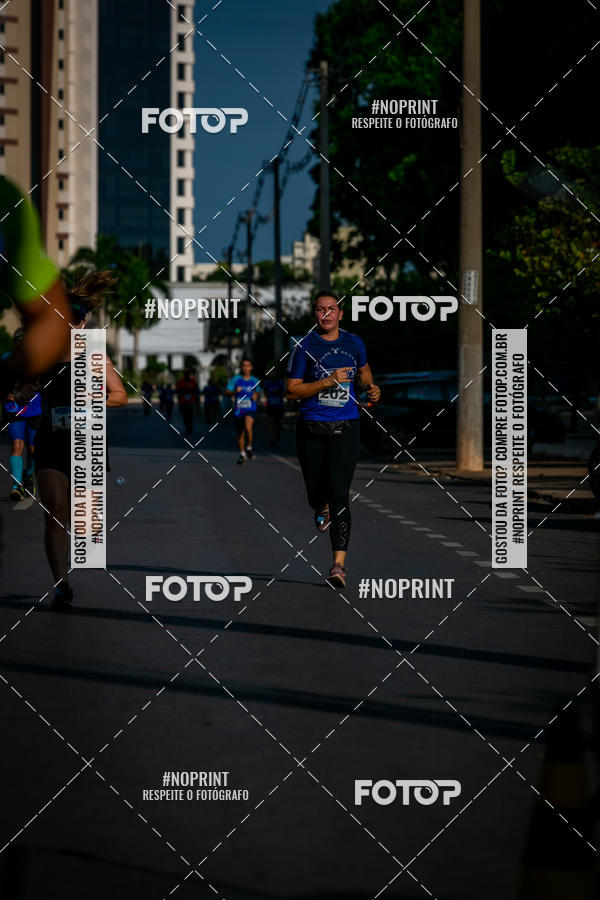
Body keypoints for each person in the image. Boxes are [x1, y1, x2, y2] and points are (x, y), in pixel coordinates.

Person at [35, 272, 128, 609]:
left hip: (85, 444)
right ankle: (61, 585)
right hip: (49, 440)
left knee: (83, 520)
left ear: (83, 323)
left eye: (76, 323)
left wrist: (91, 403)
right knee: (54, 511)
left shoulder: (95, 357)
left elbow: (120, 396)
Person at [286, 290, 380, 588]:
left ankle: (338, 566)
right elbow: (292, 390)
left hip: (346, 428)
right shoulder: (304, 346)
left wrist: (371, 388)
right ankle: (320, 506)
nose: (326, 314)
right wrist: (329, 380)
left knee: (340, 494)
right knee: (316, 492)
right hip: (312, 428)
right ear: (314, 314)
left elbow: (364, 374)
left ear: (340, 314)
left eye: (331, 309)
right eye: (319, 309)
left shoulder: (354, 342)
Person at [3, 328, 42, 500]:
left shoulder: (41, 359)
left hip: (35, 409)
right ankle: (16, 485)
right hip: (13, 408)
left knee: (33, 450)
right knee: (17, 445)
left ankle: (27, 474)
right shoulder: (6, 360)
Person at [226, 358, 260, 464]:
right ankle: (242, 453)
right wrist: (234, 391)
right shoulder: (236, 379)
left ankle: (249, 447)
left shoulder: (254, 380)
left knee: (248, 428)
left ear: (251, 367)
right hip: (239, 409)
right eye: (244, 366)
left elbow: (258, 391)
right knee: (240, 432)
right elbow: (227, 392)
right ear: (242, 367)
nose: (245, 368)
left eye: (247, 365)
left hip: (250, 408)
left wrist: (255, 395)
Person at [263, 367, 285, 448]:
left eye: (274, 372)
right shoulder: (267, 383)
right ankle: (272, 438)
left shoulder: (280, 382)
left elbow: (284, 392)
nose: (272, 374)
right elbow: (265, 392)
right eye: (271, 372)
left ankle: (277, 437)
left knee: (278, 423)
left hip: (279, 405)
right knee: (271, 421)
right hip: (270, 405)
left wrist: (278, 392)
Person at [175, 368, 199, 436]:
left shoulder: (193, 382)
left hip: (191, 401)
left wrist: (197, 400)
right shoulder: (180, 382)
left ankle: (190, 426)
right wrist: (182, 393)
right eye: (186, 373)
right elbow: (177, 391)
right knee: (184, 415)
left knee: (191, 415)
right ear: (184, 374)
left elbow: (196, 390)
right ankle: (187, 426)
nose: (187, 375)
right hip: (183, 401)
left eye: (188, 373)